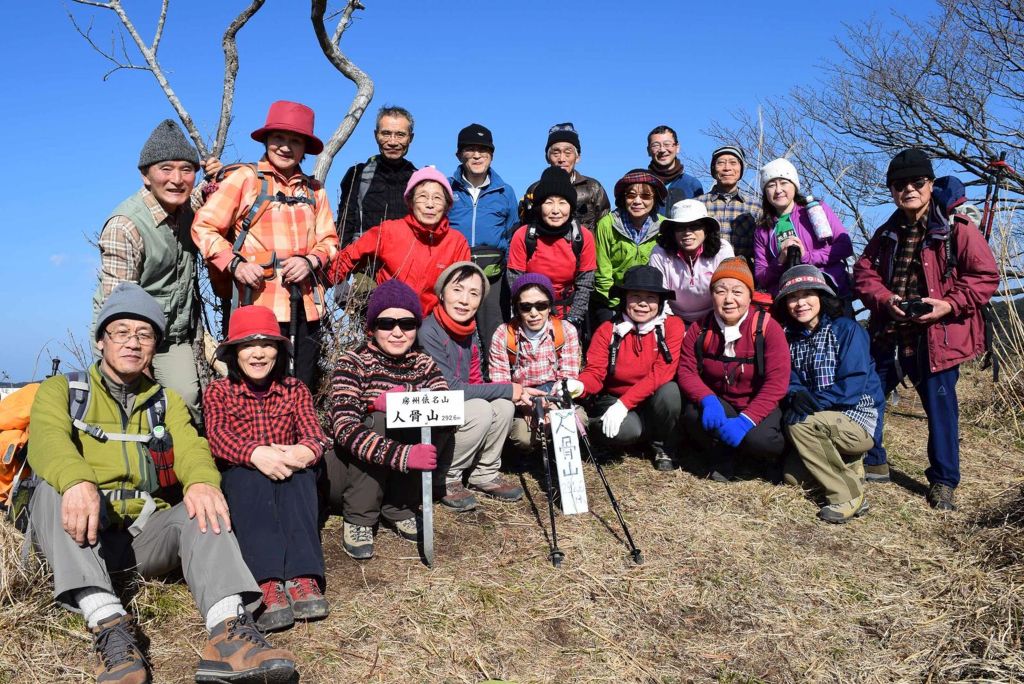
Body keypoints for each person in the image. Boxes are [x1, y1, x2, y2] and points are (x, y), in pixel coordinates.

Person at [26, 283, 296, 684]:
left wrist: (202, 483)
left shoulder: (165, 401)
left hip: (138, 536)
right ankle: (109, 626)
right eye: (121, 332)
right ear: (101, 340)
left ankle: (228, 632)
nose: (133, 343)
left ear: (155, 346)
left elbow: (192, 449)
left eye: (145, 334)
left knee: (203, 504)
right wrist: (77, 480)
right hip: (74, 533)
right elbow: (46, 441)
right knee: (53, 487)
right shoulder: (63, 390)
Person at [853, 149, 999, 511]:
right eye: (900, 185)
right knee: (867, 396)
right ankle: (874, 460)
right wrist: (886, 300)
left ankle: (944, 481)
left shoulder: (956, 228)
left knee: (940, 409)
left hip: (938, 335)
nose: (909, 190)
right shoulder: (886, 232)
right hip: (891, 330)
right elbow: (864, 273)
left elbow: (985, 277)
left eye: (917, 183)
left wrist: (947, 305)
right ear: (891, 190)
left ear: (931, 184)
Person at [192, 100, 339, 389]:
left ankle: (303, 436)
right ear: (268, 140)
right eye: (279, 138)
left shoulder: (315, 190)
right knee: (257, 391)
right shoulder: (245, 179)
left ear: (304, 149)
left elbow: (330, 241)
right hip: (256, 305)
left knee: (302, 388)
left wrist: (310, 261)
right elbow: (203, 226)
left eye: (294, 141)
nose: (285, 147)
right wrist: (235, 265)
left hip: (307, 308)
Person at [204, 305, 329, 632]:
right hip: (245, 476)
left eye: (267, 345)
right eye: (248, 345)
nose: (258, 354)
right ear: (234, 353)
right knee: (247, 478)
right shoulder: (219, 391)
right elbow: (218, 437)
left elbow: (315, 435)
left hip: (288, 472)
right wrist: (255, 453)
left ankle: (303, 576)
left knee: (302, 475)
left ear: (279, 351)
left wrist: (304, 451)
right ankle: (266, 580)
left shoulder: (294, 389)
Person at [93, 119, 219, 423]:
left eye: (186, 170)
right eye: (166, 169)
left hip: (173, 336)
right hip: (127, 334)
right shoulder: (126, 226)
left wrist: (218, 177)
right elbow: (117, 306)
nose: (177, 179)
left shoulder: (186, 207)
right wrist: (138, 362)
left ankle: (176, 467)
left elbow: (204, 193)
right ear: (145, 175)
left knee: (186, 403)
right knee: (135, 408)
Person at [326, 279, 450, 560]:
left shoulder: (424, 364)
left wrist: (404, 396)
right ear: (372, 328)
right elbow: (344, 428)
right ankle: (359, 517)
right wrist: (404, 454)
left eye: (406, 324)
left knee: (429, 418)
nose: (397, 332)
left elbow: (443, 404)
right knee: (379, 419)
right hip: (345, 472)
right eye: (386, 323)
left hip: (394, 469)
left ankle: (399, 506)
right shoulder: (352, 362)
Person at [419, 262, 541, 511]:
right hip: (426, 421)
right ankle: (446, 477)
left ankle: (483, 473)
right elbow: (450, 389)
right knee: (481, 408)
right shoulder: (427, 330)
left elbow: (475, 380)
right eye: (457, 290)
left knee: (502, 406)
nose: (464, 300)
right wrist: (509, 388)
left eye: (474, 294)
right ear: (441, 293)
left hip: (451, 416)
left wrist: (511, 394)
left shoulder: (467, 333)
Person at [775, 265, 883, 523]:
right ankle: (850, 466)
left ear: (821, 297)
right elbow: (789, 378)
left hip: (856, 418)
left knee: (801, 426)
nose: (800, 303)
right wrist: (795, 394)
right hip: (821, 420)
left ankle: (847, 494)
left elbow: (853, 385)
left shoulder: (846, 330)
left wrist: (812, 405)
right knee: (793, 477)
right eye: (792, 297)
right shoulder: (789, 339)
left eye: (807, 295)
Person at [677, 258, 790, 481]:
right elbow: (686, 370)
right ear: (712, 295)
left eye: (737, 291)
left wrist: (746, 420)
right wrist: (707, 399)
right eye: (721, 291)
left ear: (750, 296)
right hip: (722, 403)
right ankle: (723, 455)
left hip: (758, 402)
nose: (729, 299)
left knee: (761, 440)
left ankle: (762, 457)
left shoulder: (768, 327)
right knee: (693, 415)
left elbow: (777, 383)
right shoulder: (700, 329)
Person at [577, 266, 684, 471]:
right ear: (625, 298)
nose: (643, 303)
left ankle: (660, 445)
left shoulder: (672, 326)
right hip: (615, 396)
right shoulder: (608, 330)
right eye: (635, 296)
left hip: (648, 399)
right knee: (625, 432)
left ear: (660, 302)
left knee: (670, 392)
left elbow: (662, 372)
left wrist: (624, 405)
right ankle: (629, 431)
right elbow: (595, 372)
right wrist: (579, 385)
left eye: (651, 297)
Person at [328, 167, 472, 317]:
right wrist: (327, 281)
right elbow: (350, 255)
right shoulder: (389, 231)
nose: (430, 204)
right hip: (390, 321)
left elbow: (462, 291)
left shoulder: (456, 242)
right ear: (410, 201)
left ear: (447, 205)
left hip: (433, 324)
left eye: (437, 198)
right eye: (422, 196)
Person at [447, 124, 520, 361]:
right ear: (459, 154)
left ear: (492, 155)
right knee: (454, 330)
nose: (477, 155)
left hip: (494, 275)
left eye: (483, 150)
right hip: (455, 271)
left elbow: (511, 235)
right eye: (470, 149)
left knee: (495, 332)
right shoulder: (446, 188)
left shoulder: (505, 192)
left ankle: (498, 384)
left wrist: (510, 277)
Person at [488, 273, 583, 452]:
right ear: (516, 308)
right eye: (526, 307)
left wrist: (553, 403)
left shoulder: (566, 330)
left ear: (550, 306)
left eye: (541, 306)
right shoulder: (503, 334)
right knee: (522, 437)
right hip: (522, 395)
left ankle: (558, 452)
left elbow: (568, 377)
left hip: (555, 393)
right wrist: (525, 406)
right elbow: (500, 381)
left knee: (577, 421)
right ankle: (532, 450)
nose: (534, 313)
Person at [507, 167, 597, 332]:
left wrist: (573, 321)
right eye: (549, 202)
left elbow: (585, 283)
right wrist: (525, 315)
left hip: (568, 313)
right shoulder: (524, 235)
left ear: (571, 206)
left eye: (562, 202)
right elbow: (515, 280)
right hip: (531, 313)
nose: (556, 210)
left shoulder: (583, 237)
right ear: (539, 206)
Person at [753, 158, 853, 297]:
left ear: (794, 185)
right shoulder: (763, 230)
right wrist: (780, 260)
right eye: (770, 185)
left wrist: (807, 256)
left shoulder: (816, 210)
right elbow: (761, 276)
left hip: (829, 292)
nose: (778, 190)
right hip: (789, 300)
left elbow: (845, 247)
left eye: (784, 183)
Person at [335, 105, 418, 246]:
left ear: (410, 138)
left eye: (400, 135)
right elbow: (345, 225)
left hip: (408, 260)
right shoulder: (357, 175)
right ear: (376, 135)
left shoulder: (420, 179)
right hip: (365, 262)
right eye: (386, 133)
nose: (392, 142)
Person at [592, 169, 668, 323]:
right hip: (612, 300)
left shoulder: (664, 227)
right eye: (631, 195)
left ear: (655, 199)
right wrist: (619, 305)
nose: (637, 201)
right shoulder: (607, 224)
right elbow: (602, 272)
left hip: (650, 301)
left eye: (645, 196)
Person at [648, 199, 735, 323]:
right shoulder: (659, 252)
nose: (687, 233)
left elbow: (727, 291)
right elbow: (659, 295)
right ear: (672, 232)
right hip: (672, 317)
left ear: (706, 230)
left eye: (695, 226)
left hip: (715, 317)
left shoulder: (723, 249)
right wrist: (673, 324)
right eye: (680, 228)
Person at [519, 122, 610, 232]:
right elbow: (526, 227)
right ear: (547, 158)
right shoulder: (535, 189)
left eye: (568, 153)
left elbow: (605, 228)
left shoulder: (593, 188)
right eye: (556, 153)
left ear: (577, 157)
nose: (562, 158)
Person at [696, 145, 760, 262]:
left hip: (743, 274)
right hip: (704, 273)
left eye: (733, 163)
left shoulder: (756, 207)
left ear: (741, 169)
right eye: (721, 163)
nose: (727, 168)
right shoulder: (698, 204)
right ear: (713, 169)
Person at [645, 125, 703, 211]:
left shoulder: (692, 185)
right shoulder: (641, 183)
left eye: (667, 144)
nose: (662, 150)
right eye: (655, 145)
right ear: (649, 151)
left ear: (677, 147)